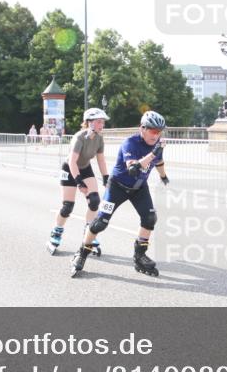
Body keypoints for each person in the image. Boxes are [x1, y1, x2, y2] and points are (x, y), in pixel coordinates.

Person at [71, 110, 169, 278]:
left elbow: (158, 161)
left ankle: (139, 256)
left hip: (139, 187)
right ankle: (81, 253)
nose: (156, 135)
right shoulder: (130, 143)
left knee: (150, 218)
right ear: (142, 128)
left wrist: (164, 177)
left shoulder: (157, 142)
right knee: (100, 222)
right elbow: (133, 169)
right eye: (153, 131)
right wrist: (154, 152)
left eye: (160, 132)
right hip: (118, 186)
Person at [47, 108, 111, 256]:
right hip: (70, 169)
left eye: (103, 122)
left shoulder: (99, 138)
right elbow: (72, 162)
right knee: (67, 207)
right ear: (89, 122)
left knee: (94, 201)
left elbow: (100, 159)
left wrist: (106, 176)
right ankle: (56, 233)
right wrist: (79, 182)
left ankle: (89, 233)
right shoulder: (79, 138)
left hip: (85, 168)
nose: (102, 125)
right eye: (99, 122)